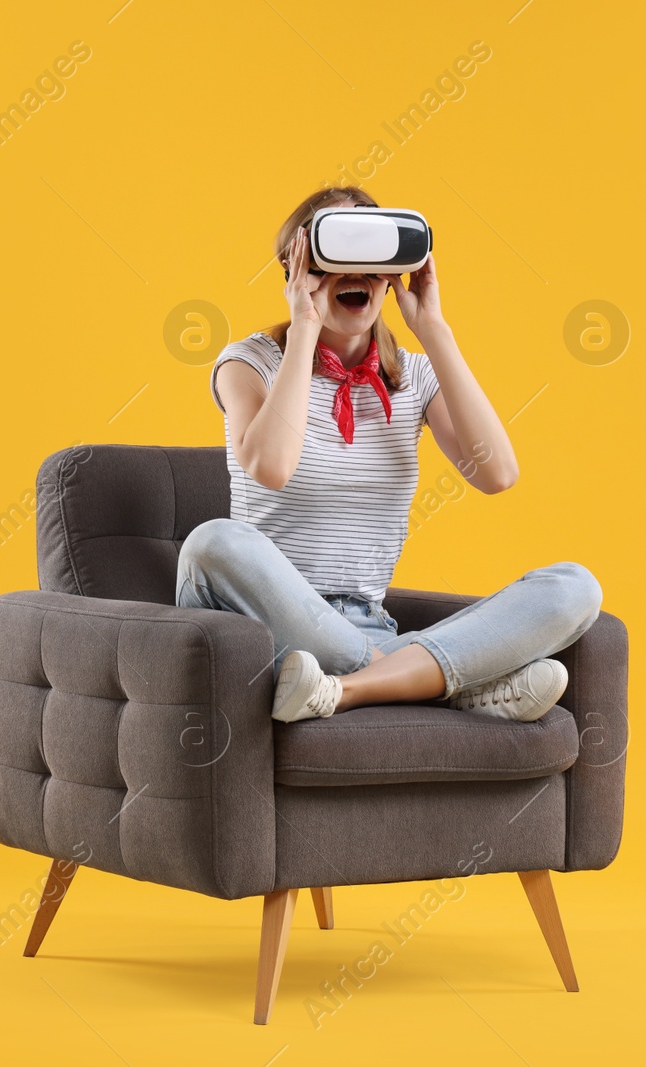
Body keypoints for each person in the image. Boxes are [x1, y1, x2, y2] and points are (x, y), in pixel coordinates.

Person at [177, 186, 602, 724]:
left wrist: (434, 329)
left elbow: (497, 473)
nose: (354, 271)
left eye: (372, 256)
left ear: (392, 270)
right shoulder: (249, 362)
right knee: (212, 542)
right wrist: (305, 327)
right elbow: (271, 468)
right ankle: (427, 681)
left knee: (573, 588)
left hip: (365, 625)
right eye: (336, 252)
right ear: (298, 265)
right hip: (267, 626)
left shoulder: (417, 377)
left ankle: (350, 688)